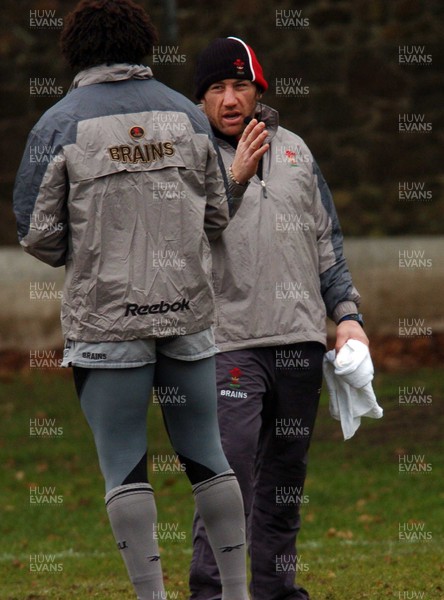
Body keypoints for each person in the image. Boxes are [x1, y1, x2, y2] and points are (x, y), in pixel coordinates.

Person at [13, 5, 265, 599]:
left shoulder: (59, 124)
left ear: (75, 49)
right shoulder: (187, 114)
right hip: (186, 314)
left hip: (107, 321)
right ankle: (236, 593)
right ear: (143, 44)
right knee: (208, 453)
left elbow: (35, 232)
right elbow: (216, 215)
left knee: (124, 464)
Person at [190, 37, 370, 600]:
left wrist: (347, 316)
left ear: (259, 91)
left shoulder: (296, 151)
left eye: (240, 85)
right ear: (199, 101)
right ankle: (213, 592)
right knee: (230, 480)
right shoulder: (189, 159)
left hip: (298, 342)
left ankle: (272, 590)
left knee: (284, 483)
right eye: (216, 88)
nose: (229, 99)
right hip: (229, 346)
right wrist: (234, 178)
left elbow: (328, 244)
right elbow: (182, 241)